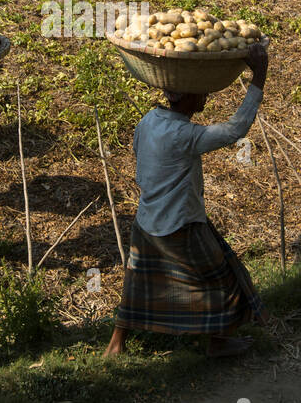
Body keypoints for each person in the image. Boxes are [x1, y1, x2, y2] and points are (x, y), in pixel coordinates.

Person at [105, 45, 271, 359]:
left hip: (147, 221)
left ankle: (116, 344)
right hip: (179, 225)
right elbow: (235, 130)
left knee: (138, 283)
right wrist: (259, 77)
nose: (205, 98)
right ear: (188, 98)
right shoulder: (185, 135)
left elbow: (139, 153)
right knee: (223, 279)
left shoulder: (149, 121)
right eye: (201, 94)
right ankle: (218, 342)